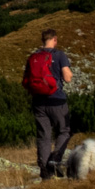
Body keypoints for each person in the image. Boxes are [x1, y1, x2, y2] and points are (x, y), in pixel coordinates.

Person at [22, 27, 74, 180]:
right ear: (55, 40)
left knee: (44, 136)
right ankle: (55, 159)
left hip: (38, 102)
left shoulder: (33, 57)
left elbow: (25, 81)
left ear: (42, 40)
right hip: (57, 100)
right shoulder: (59, 55)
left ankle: (45, 171)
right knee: (64, 131)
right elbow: (68, 78)